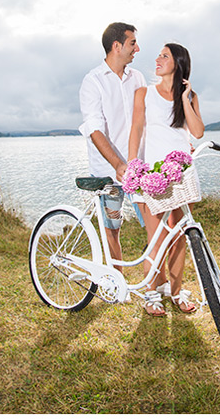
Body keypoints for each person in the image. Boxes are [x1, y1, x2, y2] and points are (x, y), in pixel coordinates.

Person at [128, 43, 204, 317]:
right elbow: (136, 129)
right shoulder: (144, 94)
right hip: (152, 176)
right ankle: (151, 294)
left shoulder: (191, 96)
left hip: (182, 173)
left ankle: (174, 291)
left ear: (178, 63)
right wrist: (132, 164)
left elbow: (197, 132)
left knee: (180, 237)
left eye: (164, 56)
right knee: (156, 237)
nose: (157, 59)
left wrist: (184, 99)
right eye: (159, 55)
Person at [79, 22, 146, 273]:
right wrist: (118, 165)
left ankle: (154, 283)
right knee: (112, 228)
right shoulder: (92, 81)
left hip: (138, 169)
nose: (137, 48)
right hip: (108, 174)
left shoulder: (137, 78)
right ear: (116, 46)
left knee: (153, 224)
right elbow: (94, 129)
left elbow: (148, 120)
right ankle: (117, 282)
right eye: (132, 43)